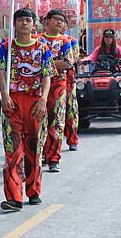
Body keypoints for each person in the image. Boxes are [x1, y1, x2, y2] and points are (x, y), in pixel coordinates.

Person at [0, 8, 52, 211]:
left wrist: (43, 99)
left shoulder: (42, 48)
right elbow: (1, 71)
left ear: (34, 24)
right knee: (13, 150)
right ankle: (14, 196)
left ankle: (33, 190)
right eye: (19, 20)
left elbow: (47, 75)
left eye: (27, 20)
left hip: (35, 101)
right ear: (14, 24)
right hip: (13, 102)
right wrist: (4, 94)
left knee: (34, 148)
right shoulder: (7, 47)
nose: (23, 24)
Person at [41, 10, 75, 172]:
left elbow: (68, 62)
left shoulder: (65, 41)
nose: (60, 22)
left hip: (59, 84)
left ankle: (54, 157)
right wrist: (55, 62)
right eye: (56, 19)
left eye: (62, 20)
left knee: (57, 119)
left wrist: (46, 63)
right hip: (39, 85)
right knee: (41, 120)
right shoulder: (38, 40)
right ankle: (43, 153)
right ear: (47, 21)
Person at [64, 23, 81, 152]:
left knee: (70, 111)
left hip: (67, 81)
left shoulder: (71, 41)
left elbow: (72, 59)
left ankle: (72, 139)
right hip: (46, 83)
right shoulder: (41, 40)